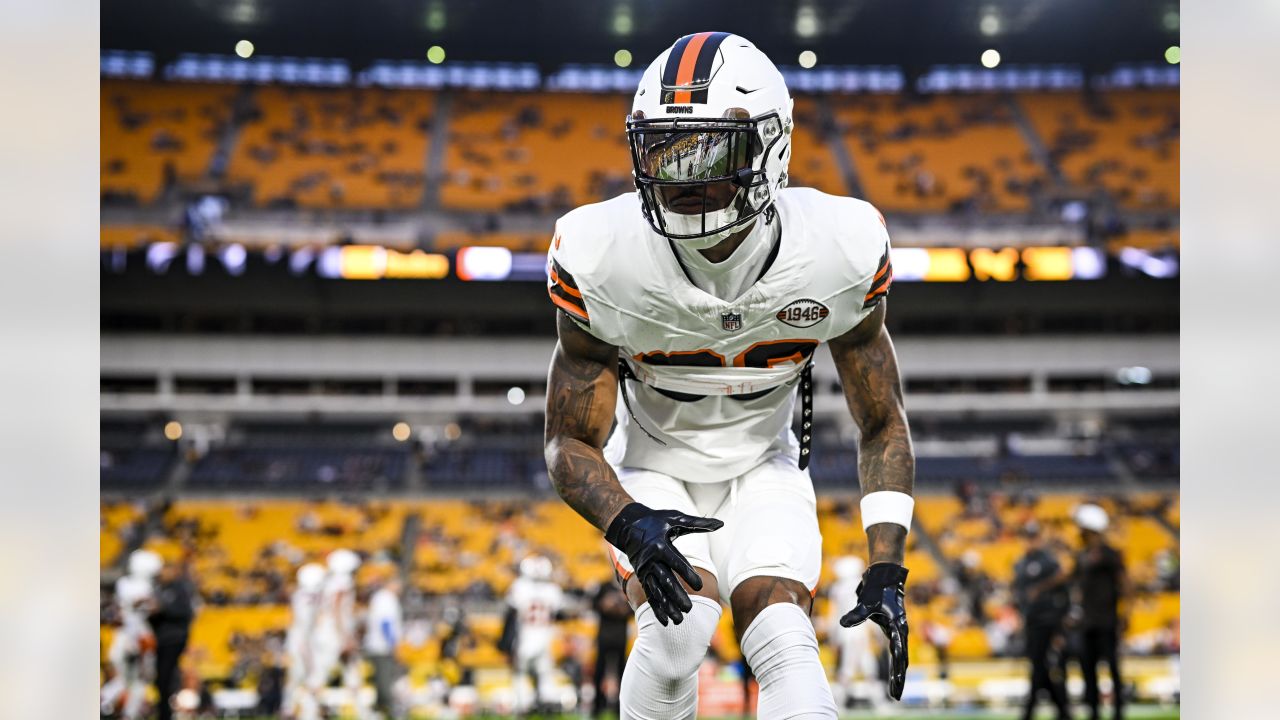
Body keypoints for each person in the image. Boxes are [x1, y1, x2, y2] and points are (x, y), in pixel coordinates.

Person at [542, 32, 915, 720]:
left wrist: (887, 563)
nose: (682, 178)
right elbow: (567, 440)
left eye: (710, 151)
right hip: (650, 467)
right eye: (665, 150)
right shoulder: (601, 254)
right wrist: (626, 522)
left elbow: (881, 419)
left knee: (781, 633)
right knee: (679, 630)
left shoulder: (836, 248)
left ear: (773, 148)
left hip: (763, 466)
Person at [1071, 503, 1127, 720]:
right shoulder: (1082, 555)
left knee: (1112, 668)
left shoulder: (1110, 554)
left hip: (1107, 620)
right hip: (1087, 622)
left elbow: (1125, 584)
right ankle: (1093, 712)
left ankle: (1118, 713)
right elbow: (1074, 584)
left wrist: (1125, 614)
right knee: (1088, 670)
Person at [1012, 522, 1071, 720]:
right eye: (1028, 537)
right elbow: (1020, 595)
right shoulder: (1020, 564)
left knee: (1041, 667)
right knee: (1040, 668)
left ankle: (1029, 711)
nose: (1031, 541)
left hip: (1048, 623)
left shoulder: (1049, 562)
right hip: (1032, 623)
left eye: (1034, 536)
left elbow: (1065, 593)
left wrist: (1061, 629)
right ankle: (1063, 711)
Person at [104, 549, 163, 720]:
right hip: (131, 635)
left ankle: (121, 710)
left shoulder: (133, 586)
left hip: (136, 636)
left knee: (137, 681)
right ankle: (108, 703)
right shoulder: (128, 585)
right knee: (126, 678)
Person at [505, 555, 565, 713]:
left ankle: (523, 704)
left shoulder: (519, 586)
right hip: (546, 637)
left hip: (525, 636)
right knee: (545, 672)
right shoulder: (553, 590)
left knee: (521, 673)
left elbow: (511, 612)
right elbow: (558, 613)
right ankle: (547, 704)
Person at [827, 556, 887, 710]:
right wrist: (878, 634)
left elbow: (833, 617)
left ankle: (839, 705)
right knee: (861, 669)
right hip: (859, 632)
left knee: (855, 668)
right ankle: (839, 705)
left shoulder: (837, 588)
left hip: (846, 633)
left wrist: (833, 636)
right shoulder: (863, 586)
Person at [312, 549, 362, 718]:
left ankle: (361, 712)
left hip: (325, 632)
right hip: (334, 634)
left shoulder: (328, 581)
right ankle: (309, 712)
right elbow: (337, 609)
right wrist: (345, 637)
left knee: (349, 672)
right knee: (326, 675)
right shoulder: (343, 581)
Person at [149, 559, 197, 720]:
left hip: (174, 639)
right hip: (161, 640)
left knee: (166, 676)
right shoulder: (159, 589)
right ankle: (165, 711)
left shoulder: (180, 589)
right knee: (162, 678)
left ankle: (168, 712)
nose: (163, 573)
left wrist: (162, 609)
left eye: (166, 569)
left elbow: (186, 612)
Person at [286, 563, 327, 720]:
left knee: (298, 680)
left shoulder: (300, 596)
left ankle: (293, 710)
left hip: (301, 643)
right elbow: (305, 629)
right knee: (310, 679)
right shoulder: (306, 601)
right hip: (304, 644)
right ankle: (304, 713)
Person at [364, 575, 405, 720]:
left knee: (380, 680)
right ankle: (388, 711)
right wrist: (393, 644)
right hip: (382, 647)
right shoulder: (387, 598)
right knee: (384, 682)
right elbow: (386, 623)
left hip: (377, 646)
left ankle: (379, 711)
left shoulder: (380, 597)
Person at [590, 582, 631, 717]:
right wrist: (605, 604)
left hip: (620, 638)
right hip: (605, 636)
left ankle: (619, 707)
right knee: (599, 673)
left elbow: (634, 608)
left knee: (622, 674)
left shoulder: (628, 584)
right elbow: (594, 604)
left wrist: (622, 606)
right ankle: (598, 706)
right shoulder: (604, 586)